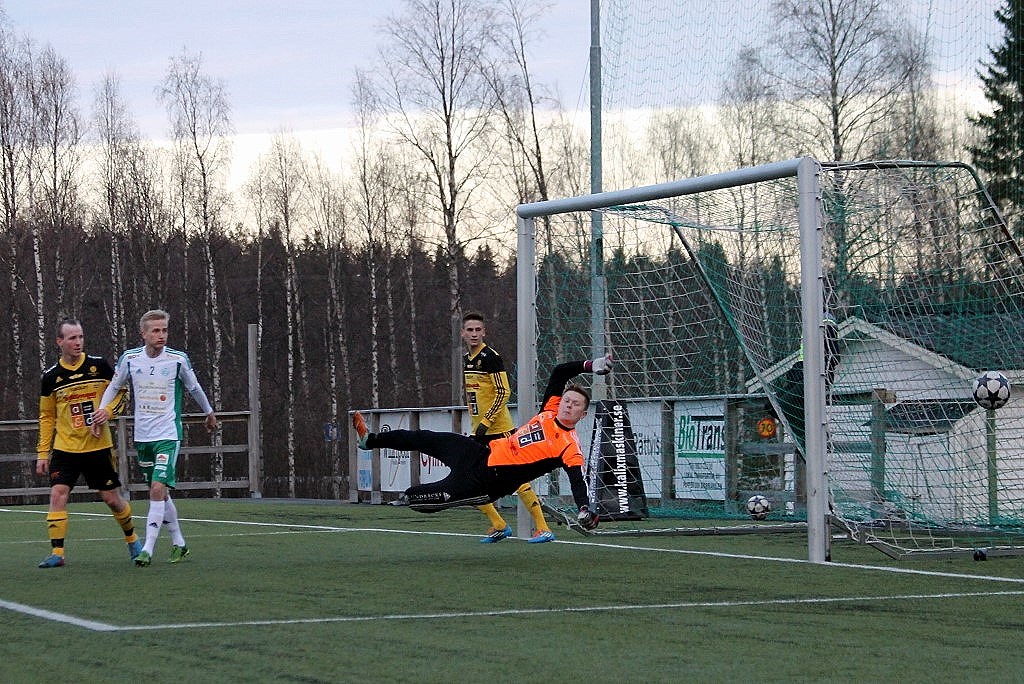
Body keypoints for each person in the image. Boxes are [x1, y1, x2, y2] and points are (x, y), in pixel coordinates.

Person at [353, 354, 613, 531]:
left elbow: (578, 481)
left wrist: (584, 509)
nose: (568, 405)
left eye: (575, 404)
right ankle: (369, 440)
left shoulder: (569, 446)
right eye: (567, 400)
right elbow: (560, 372)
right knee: (426, 438)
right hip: (479, 453)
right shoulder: (550, 409)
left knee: (421, 497)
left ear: (583, 414)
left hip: (487, 482)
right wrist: (592, 365)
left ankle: (405, 499)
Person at [91, 309, 218, 567]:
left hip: (168, 434)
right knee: (159, 492)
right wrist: (101, 411)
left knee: (157, 489)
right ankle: (179, 543)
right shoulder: (130, 359)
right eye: (156, 331)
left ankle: (147, 549)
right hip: (143, 436)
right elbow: (114, 386)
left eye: (164, 330)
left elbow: (194, 387)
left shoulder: (177, 360)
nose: (161, 335)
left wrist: (209, 412)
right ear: (144, 334)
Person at [35, 318, 142, 568]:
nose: (78, 342)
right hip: (65, 449)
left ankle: (133, 540)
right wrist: (42, 453)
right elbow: (47, 416)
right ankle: (57, 553)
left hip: (98, 446)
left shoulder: (99, 366)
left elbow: (122, 394)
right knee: (57, 494)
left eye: (80, 337)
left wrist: (108, 412)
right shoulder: (51, 377)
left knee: (112, 499)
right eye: (72, 338)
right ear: (59, 342)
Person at [460, 312, 555, 544]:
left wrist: (486, 421)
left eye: (478, 330)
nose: (474, 334)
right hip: (479, 431)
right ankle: (499, 525)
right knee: (469, 480)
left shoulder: (490, 357)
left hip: (499, 430)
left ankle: (543, 528)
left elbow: (503, 392)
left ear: (484, 332)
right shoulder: (467, 360)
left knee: (516, 478)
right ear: (463, 333)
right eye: (470, 330)